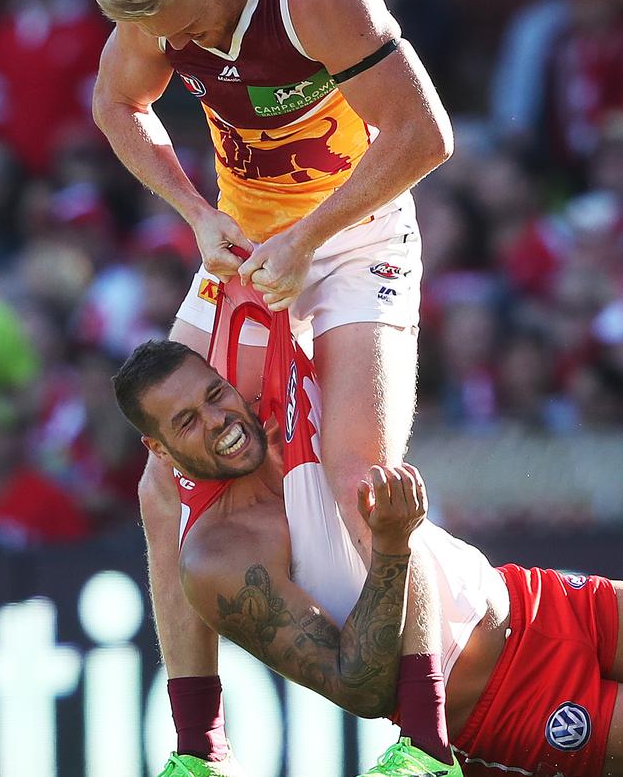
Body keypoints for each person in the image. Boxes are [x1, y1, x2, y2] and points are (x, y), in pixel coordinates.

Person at [91, 0, 453, 771]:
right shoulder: (155, 10)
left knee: (363, 477)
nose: (179, 49)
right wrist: (197, 214)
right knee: (159, 484)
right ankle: (197, 752)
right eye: (160, 36)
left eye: (185, 28)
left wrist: (308, 236)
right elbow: (116, 103)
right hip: (248, 242)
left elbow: (426, 135)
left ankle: (427, 745)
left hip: (359, 236)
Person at [112, 324, 623, 777]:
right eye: (186, 421)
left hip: (542, 598)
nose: (218, 419)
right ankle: (199, 748)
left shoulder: (277, 419)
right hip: (511, 703)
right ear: (159, 450)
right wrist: (392, 549)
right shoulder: (218, 558)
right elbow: (361, 688)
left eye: (214, 394)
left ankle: (198, 745)